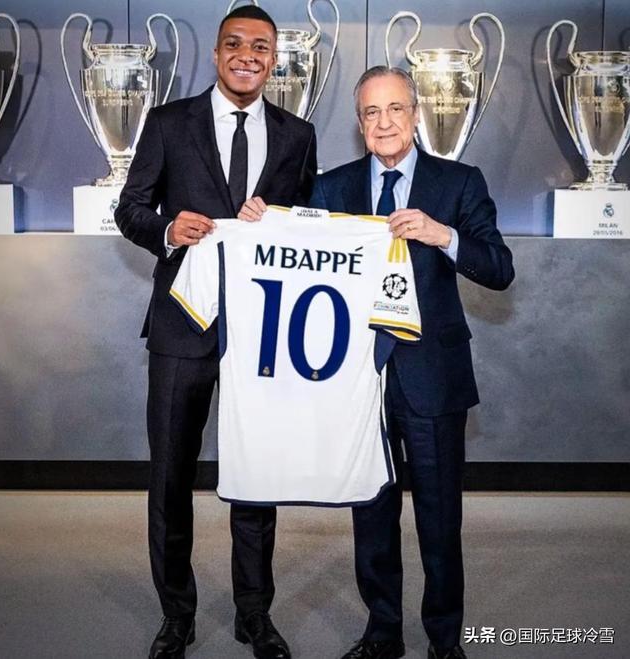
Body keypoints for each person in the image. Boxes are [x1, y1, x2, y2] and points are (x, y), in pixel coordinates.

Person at [114, 7, 316, 659]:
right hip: (182, 324)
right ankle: (177, 615)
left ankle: (255, 613)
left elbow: (307, 223)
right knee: (170, 475)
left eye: (260, 46)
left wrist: (278, 217)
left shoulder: (298, 134)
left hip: (261, 329)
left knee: (256, 474)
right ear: (217, 53)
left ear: (274, 58)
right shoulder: (168, 122)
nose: (247, 55)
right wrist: (169, 229)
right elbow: (130, 209)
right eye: (235, 44)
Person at [309, 66, 514, 659]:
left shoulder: (459, 182)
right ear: (359, 123)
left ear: (416, 114)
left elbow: (499, 269)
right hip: (358, 382)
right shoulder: (332, 188)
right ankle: (383, 633)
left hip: (434, 380)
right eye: (371, 112)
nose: (384, 122)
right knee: (371, 519)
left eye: (395, 108)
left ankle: (445, 641)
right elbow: (301, 260)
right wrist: (257, 222)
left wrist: (442, 235)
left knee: (439, 520)